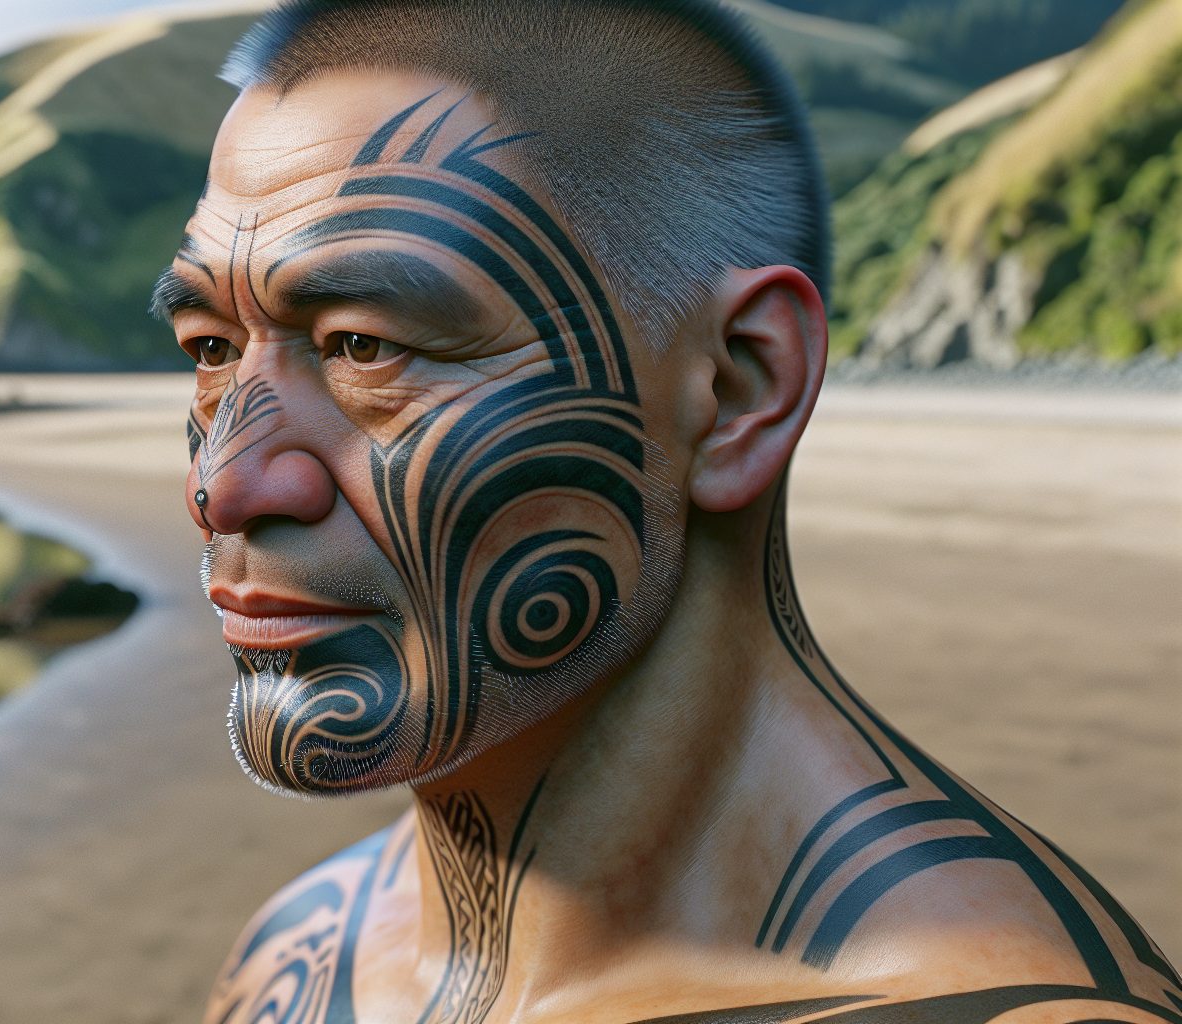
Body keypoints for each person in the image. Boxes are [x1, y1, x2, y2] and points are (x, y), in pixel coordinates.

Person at [150, 2, 1179, 1021]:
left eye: (365, 344)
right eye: (210, 348)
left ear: (736, 390)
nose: (223, 485)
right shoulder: (298, 954)